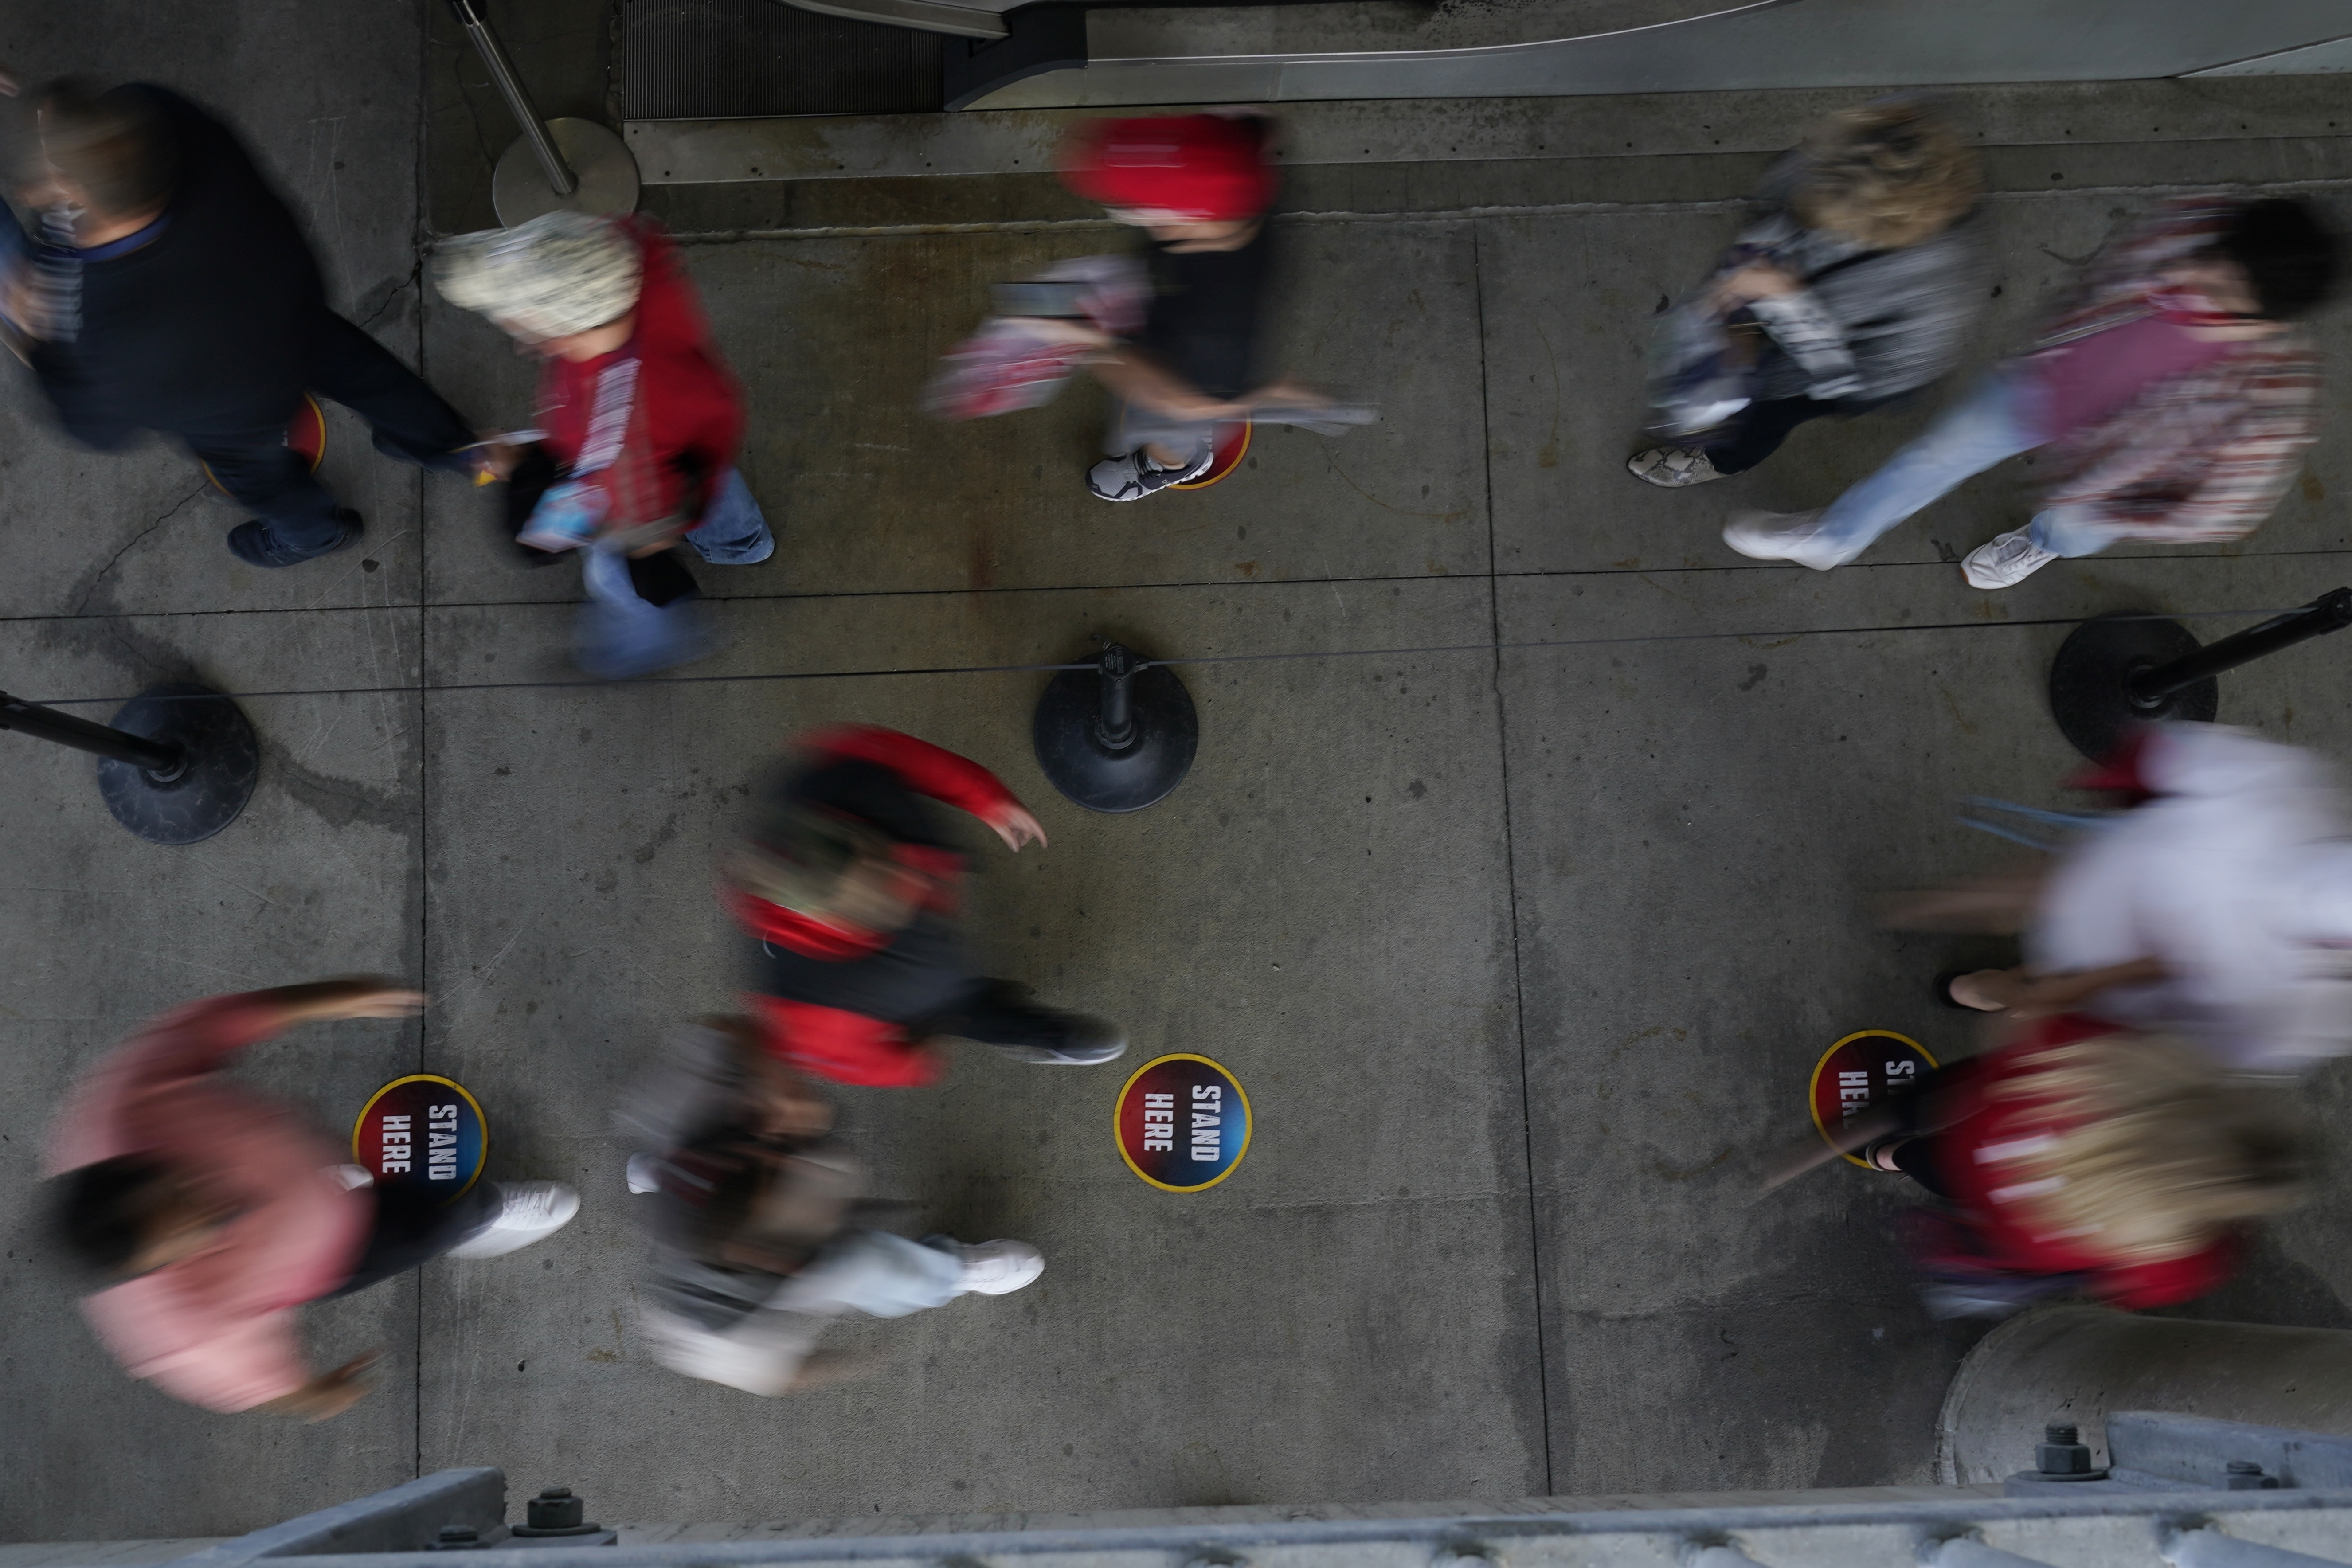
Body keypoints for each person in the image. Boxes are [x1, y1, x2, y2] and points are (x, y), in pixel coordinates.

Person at [1724, 194, 2339, 588]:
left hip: (2113, 476)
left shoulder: (2264, 403)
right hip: (2043, 387)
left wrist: (2118, 505)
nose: (2196, 274)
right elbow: (2103, 276)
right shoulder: (2198, 224)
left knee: (2072, 526)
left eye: (2225, 286)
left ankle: (2042, 541)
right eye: (2215, 256)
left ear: (2266, 319)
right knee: (1929, 457)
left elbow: (2221, 512)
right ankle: (1833, 539)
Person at [43, 981, 579, 1418]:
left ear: (136, 1160)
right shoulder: (185, 1328)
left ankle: (378, 1187)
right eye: (189, 1230)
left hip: (301, 1162)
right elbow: (257, 1384)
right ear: (155, 1270)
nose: (209, 1201)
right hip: (333, 1250)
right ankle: (478, 1219)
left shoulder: (124, 1103)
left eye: (178, 1186)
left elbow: (212, 1025)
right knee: (437, 1221)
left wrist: (334, 999)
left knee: (365, 1177)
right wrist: (316, 1394)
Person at [6, 81, 485, 567]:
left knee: (263, 480)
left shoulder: (105, 328)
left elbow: (96, 428)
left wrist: (41, 338)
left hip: (233, 409)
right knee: (369, 376)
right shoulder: (167, 116)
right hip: (288, 307)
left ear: (69, 191)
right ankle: (450, 447)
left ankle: (316, 536)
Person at [1770, 1014, 2312, 1319]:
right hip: (1995, 1210)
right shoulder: (2187, 1256)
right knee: (1924, 1163)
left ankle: (1878, 1133)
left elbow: (2027, 1031)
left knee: (1923, 1106)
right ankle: (1889, 1157)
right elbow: (2124, 1289)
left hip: (1971, 1113)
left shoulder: (2114, 1064)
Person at [621, 1017, 1044, 1396]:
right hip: (804, 1271)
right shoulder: (710, 1327)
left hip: (718, 1168)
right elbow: (778, 1375)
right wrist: (854, 1362)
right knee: (876, 1268)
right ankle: (953, 1270)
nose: (781, 1159)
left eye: (767, 1161)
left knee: (820, 1140)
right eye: (777, 1182)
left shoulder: (686, 1108)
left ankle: (660, 1173)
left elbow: (726, 1031)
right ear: (759, 1252)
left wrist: (778, 1085)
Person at [434, 210, 773, 679]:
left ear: (568, 325)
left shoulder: (618, 428)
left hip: (654, 483)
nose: (518, 339)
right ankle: (744, 542)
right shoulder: (625, 261)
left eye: (521, 322)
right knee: (718, 488)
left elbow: (557, 532)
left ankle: (657, 634)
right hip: (687, 437)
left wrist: (523, 467)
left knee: (625, 571)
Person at [1905, 723, 2352, 1075]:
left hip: (2103, 883)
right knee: (2031, 976)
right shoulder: (2309, 1008)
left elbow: (2170, 756)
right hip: (2109, 959)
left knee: (2013, 902)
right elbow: (2233, 1046)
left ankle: (1924, 920)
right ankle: (1968, 986)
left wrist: (2123, 782)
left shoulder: (2292, 798)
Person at [724, 724, 1126, 1086]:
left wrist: (985, 797)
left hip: (918, 965)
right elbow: (872, 1065)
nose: (913, 882)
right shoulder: (809, 1013)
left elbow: (897, 754)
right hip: (925, 993)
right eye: (882, 898)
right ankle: (1049, 1035)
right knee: (959, 1007)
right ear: (829, 919)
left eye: (880, 856)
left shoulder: (832, 775)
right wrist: (917, 1062)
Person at [1628, 98, 1987, 489]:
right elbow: (1774, 212)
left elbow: (1852, 381)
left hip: (1824, 367)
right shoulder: (1840, 161)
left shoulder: (1938, 288)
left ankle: (1725, 460)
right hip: (1771, 304)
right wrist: (1743, 287)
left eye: (1841, 225)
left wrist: (1787, 300)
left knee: (1769, 415)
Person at [1055, 113, 1367, 503]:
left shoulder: (1216, 333)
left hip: (1189, 387)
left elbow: (1183, 402)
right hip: (1182, 330)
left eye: (1140, 210)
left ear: (1188, 219)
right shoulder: (1238, 184)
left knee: (1167, 429)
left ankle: (1174, 464)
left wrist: (1088, 345)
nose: (1137, 218)